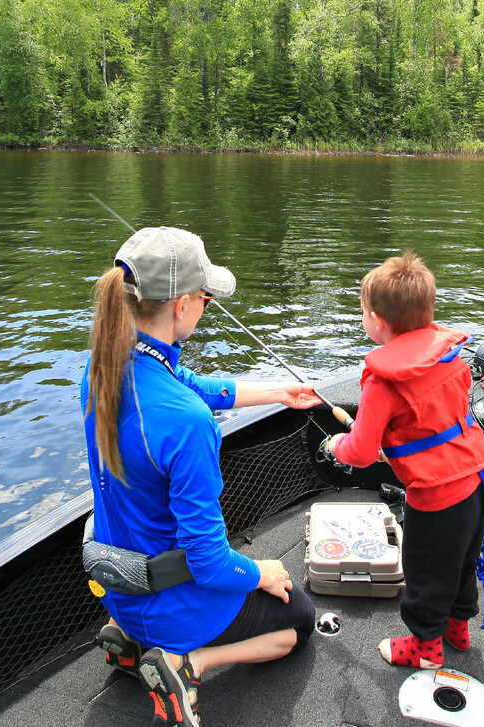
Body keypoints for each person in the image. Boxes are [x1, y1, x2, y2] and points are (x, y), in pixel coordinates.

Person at [82, 226, 318, 727]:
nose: (206, 307)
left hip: (120, 591)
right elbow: (208, 563)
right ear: (183, 305)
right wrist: (262, 572)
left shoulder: (103, 365)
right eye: (206, 299)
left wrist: (278, 392)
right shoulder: (187, 424)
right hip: (175, 608)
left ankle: (128, 645)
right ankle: (183, 664)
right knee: (298, 620)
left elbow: (188, 383)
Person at [324, 251, 484, 669]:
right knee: (462, 563)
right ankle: (458, 629)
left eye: (363, 312)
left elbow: (361, 453)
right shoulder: (451, 358)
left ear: (377, 321)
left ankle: (425, 648)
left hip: (436, 497)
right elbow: (429, 424)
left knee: (426, 572)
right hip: (477, 483)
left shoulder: (382, 382)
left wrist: (335, 447)